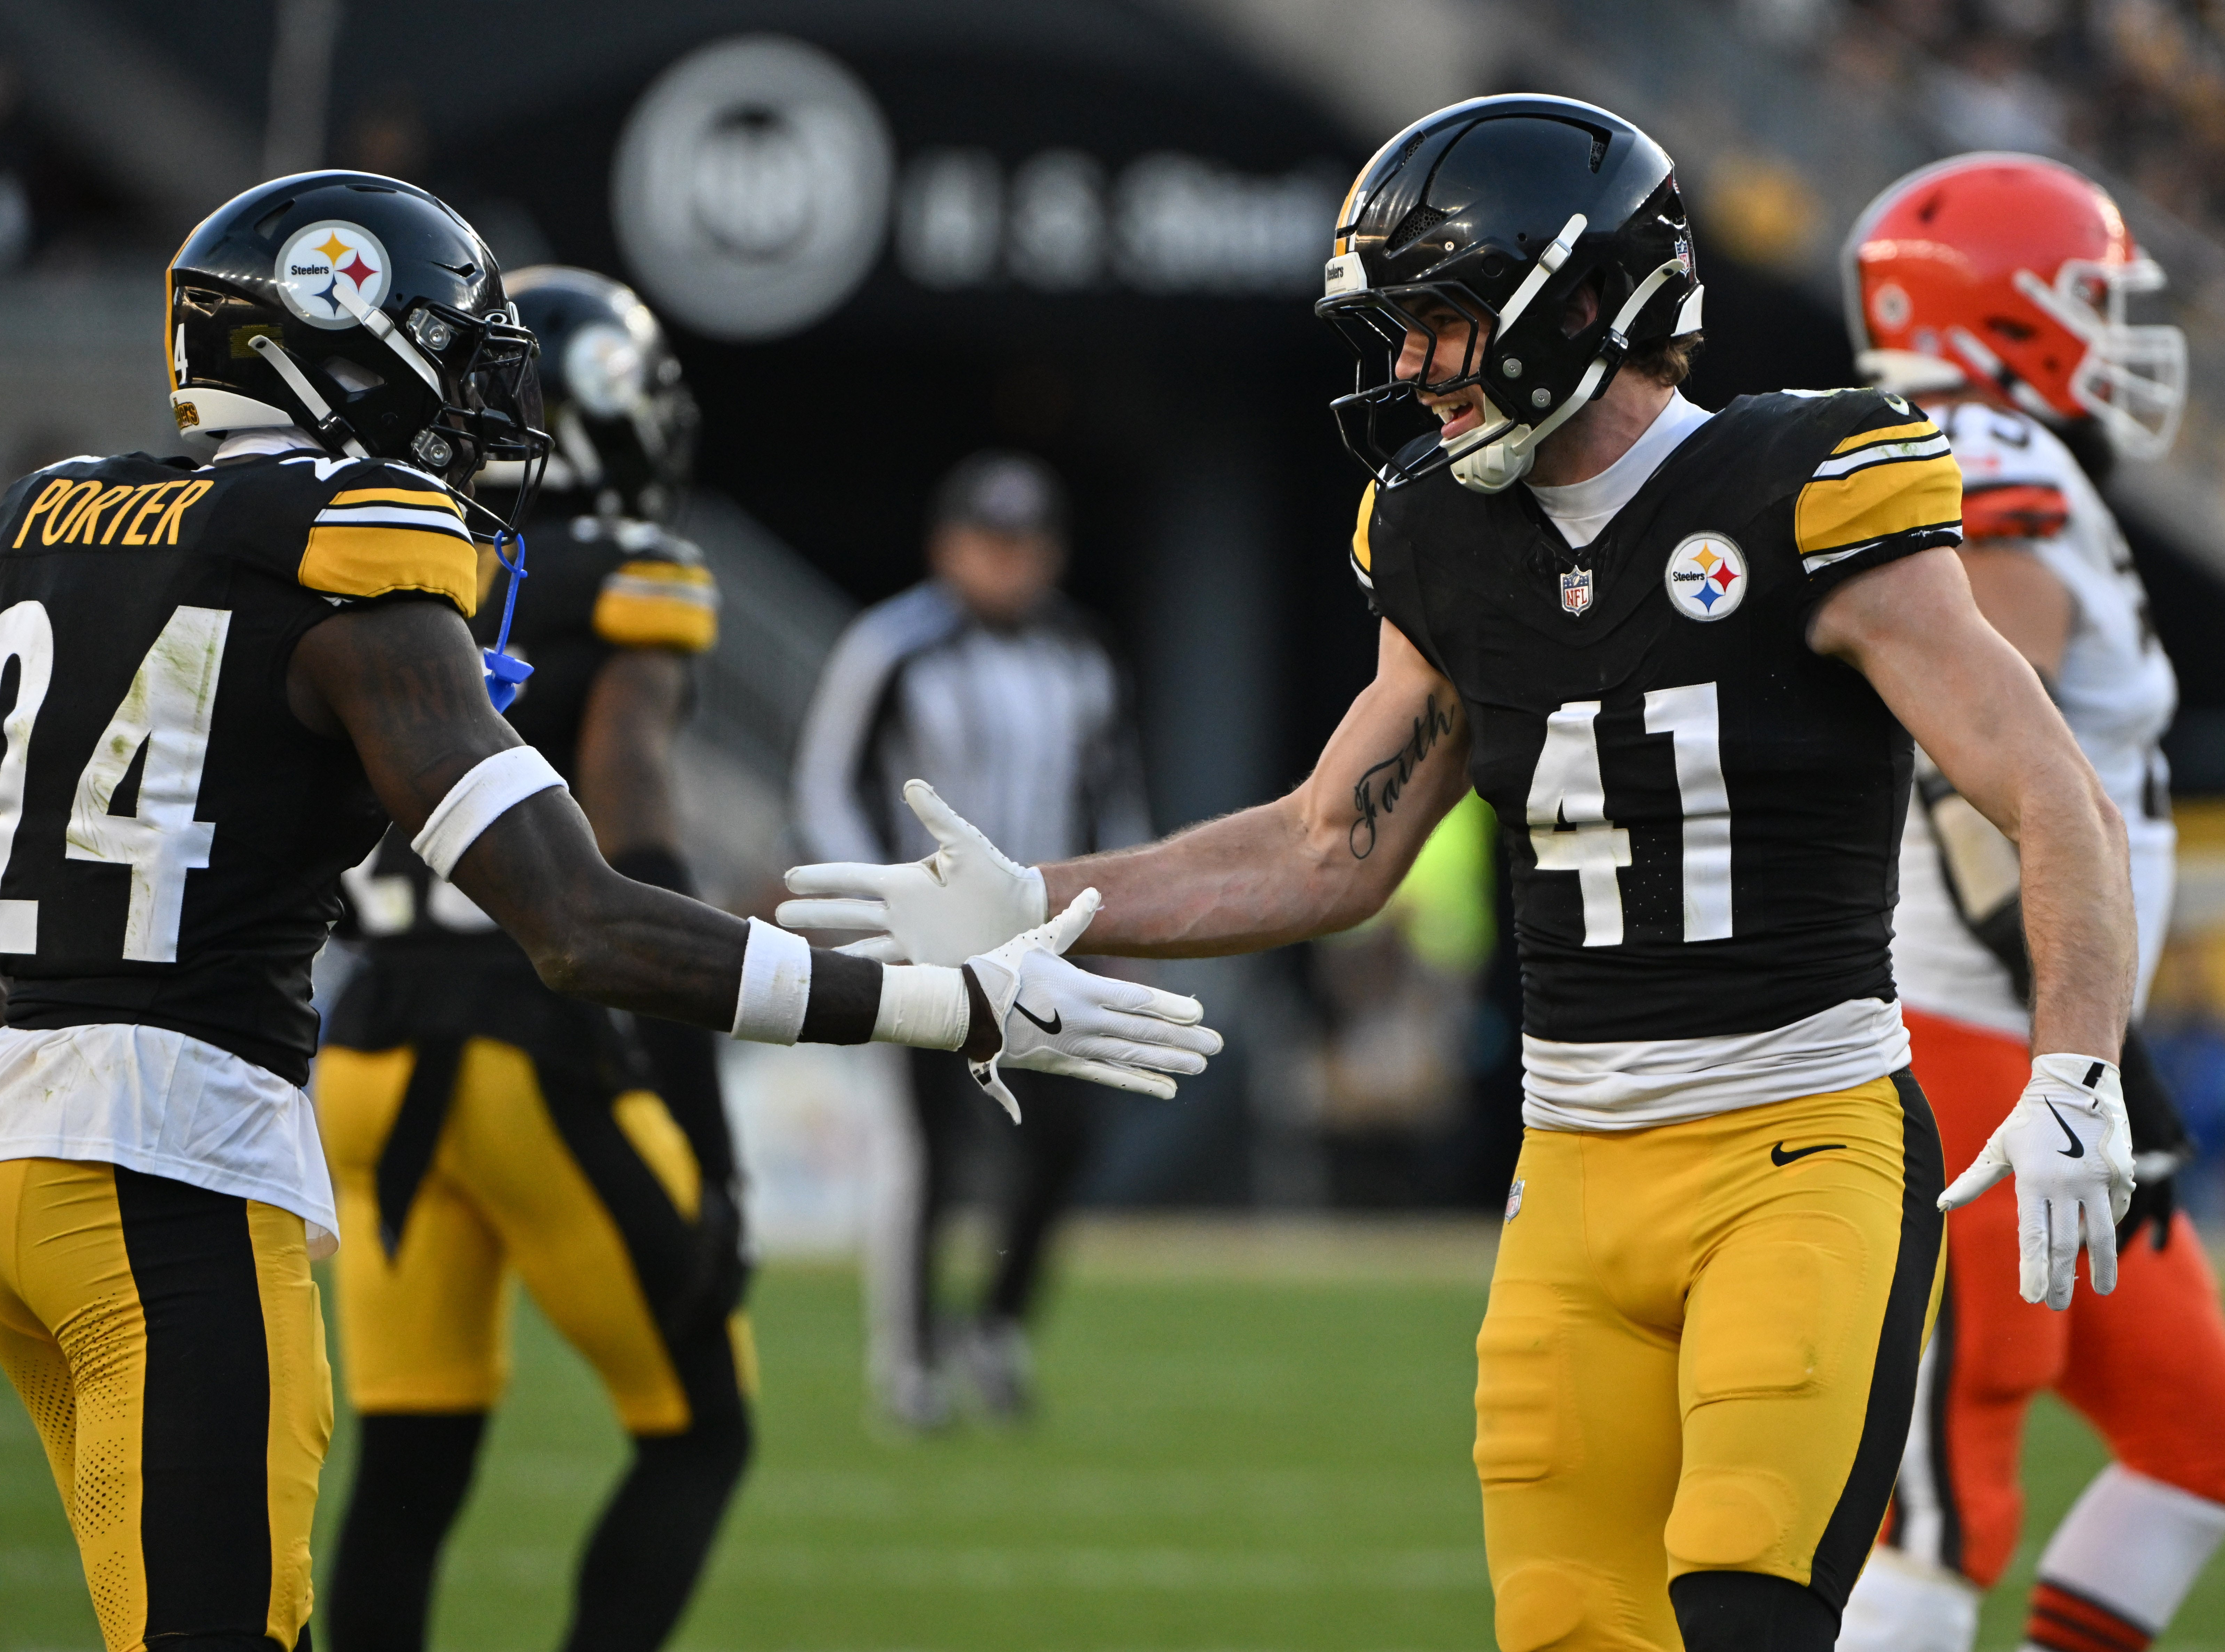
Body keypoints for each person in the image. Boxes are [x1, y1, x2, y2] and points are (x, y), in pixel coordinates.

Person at [780, 96, 2141, 1652]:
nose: (1412, 369)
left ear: (1580, 305)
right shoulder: (1443, 535)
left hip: (1799, 1149)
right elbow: (1324, 843)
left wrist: (2079, 1063)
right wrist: (1035, 898)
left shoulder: (1806, 486)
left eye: (1437, 322)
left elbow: (2053, 795)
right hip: (1568, 1177)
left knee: (1749, 1611)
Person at [0, 171, 1218, 1652]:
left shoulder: (66, 516)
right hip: (173, 1168)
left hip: (9, 1169)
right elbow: (584, 921)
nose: (471, 408)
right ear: (339, 348)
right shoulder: (353, 554)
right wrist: (960, 1006)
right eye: (446, 355)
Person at [1832, 154, 2225, 1652]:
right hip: (1979, 1041)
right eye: (2087, 297)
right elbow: (1986, 786)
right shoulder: (1978, 453)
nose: (2117, 328)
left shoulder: (2001, 446)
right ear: (2000, 310)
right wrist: (2099, 1055)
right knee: (1951, 1506)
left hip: (2043, 1041)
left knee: (2206, 1433)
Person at [317, 266, 755, 1652]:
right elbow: (638, 848)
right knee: (701, 1428)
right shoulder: (635, 571)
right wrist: (711, 1149)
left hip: (366, 1056)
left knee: (410, 1460)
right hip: (525, 1046)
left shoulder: (404, 557)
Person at [792, 451, 1150, 1428]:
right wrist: (893, 909)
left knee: (1066, 1137)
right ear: (947, 546)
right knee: (927, 1149)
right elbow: (828, 786)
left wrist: (1117, 914)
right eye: (990, 543)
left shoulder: (1082, 652)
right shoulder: (895, 645)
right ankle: (908, 1364)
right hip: (931, 941)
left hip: (1046, 936)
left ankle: (995, 1325)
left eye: (1026, 545)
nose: (1008, 564)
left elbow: (1113, 794)